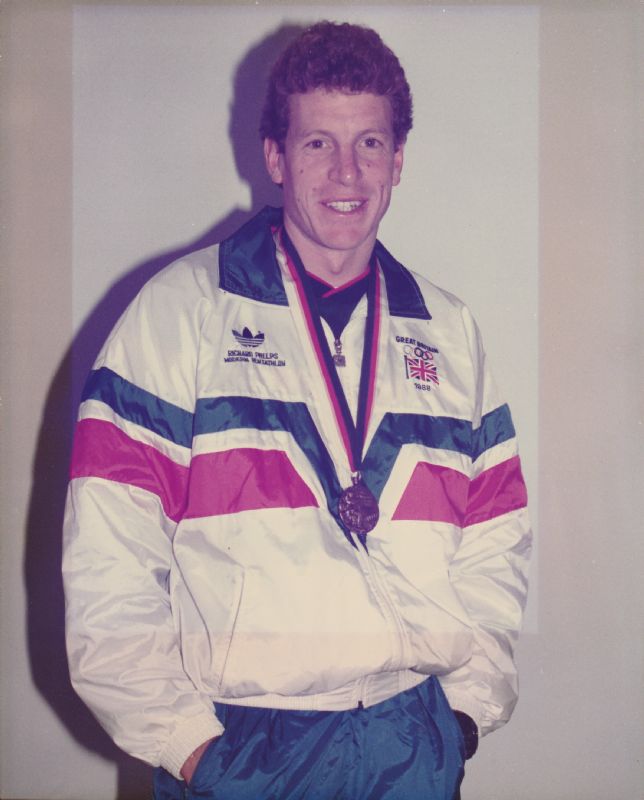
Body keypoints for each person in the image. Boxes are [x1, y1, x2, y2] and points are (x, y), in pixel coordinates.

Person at [63, 21, 531, 800]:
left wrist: (464, 716)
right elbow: (106, 556)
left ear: (398, 159)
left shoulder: (449, 333)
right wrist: (190, 748)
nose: (346, 171)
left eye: (371, 143)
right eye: (318, 143)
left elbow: (497, 541)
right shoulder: (180, 313)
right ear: (276, 157)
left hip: (407, 738)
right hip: (242, 743)